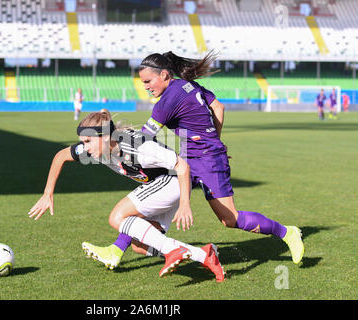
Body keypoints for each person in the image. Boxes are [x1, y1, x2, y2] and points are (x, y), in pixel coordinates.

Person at [83, 51, 304, 269]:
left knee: (230, 219)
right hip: (194, 157)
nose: (146, 87)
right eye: (143, 83)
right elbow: (218, 106)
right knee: (145, 207)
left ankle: (287, 232)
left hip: (206, 160)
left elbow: (142, 138)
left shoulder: (166, 102)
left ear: (164, 75)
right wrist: (214, 141)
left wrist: (109, 133)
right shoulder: (187, 85)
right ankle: (117, 250)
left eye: (149, 81)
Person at [28, 110, 225, 281]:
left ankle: (173, 251)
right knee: (140, 245)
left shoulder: (139, 147)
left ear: (105, 137)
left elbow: (181, 166)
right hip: (160, 187)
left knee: (117, 216)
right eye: (82, 142)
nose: (84, 148)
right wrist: (48, 193)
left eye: (88, 141)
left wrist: (184, 204)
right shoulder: (94, 148)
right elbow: (61, 156)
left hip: (174, 181)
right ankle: (203, 254)